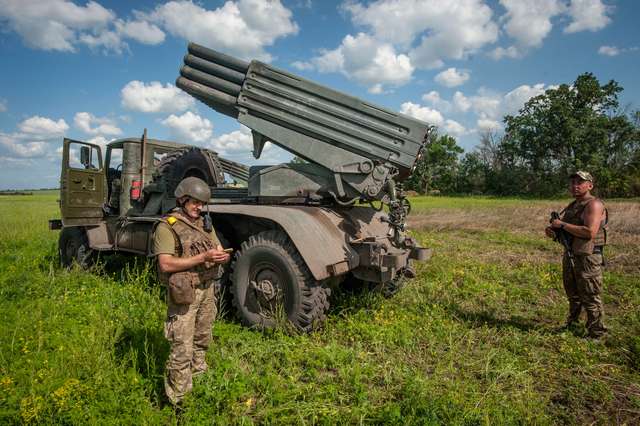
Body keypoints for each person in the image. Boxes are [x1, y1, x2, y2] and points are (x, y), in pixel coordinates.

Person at [153, 176, 231, 405]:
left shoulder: (205, 224)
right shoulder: (167, 226)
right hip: (185, 294)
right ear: (182, 199)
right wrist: (203, 257)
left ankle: (199, 378)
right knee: (181, 347)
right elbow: (165, 264)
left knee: (202, 338)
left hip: (207, 290)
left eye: (201, 203)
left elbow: (216, 248)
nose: (199, 207)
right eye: (194, 202)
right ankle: (178, 400)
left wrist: (221, 255)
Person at [545, 171, 608, 338]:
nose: (575, 186)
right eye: (572, 182)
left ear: (590, 185)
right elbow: (566, 230)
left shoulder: (594, 205)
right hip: (572, 254)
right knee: (572, 292)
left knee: (590, 295)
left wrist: (562, 224)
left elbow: (589, 232)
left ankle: (596, 333)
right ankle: (573, 324)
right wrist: (554, 232)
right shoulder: (573, 205)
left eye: (580, 182)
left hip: (588, 257)